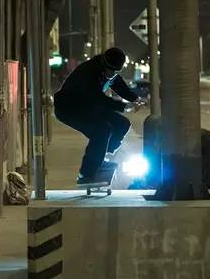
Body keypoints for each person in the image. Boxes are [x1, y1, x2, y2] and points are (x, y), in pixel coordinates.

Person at [54, 47, 144, 185]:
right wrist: (123, 107)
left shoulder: (111, 72)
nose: (111, 74)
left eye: (115, 72)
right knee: (101, 130)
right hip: (70, 108)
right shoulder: (88, 72)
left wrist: (135, 99)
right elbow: (98, 99)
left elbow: (119, 85)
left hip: (89, 106)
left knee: (122, 124)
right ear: (104, 64)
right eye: (110, 71)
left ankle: (101, 159)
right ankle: (86, 174)